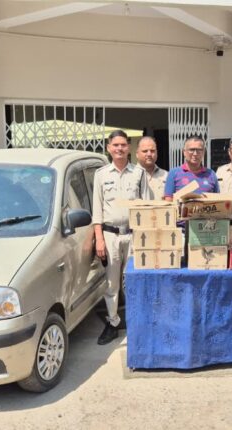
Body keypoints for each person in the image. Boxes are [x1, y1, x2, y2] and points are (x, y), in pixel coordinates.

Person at [92, 130, 147, 345]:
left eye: (123, 145)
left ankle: (135, 323)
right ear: (109, 148)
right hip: (110, 235)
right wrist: (99, 238)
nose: (120, 149)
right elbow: (97, 209)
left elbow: (145, 206)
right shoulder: (101, 174)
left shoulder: (139, 173)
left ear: (129, 148)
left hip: (133, 234)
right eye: (115, 145)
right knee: (111, 282)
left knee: (131, 280)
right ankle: (113, 322)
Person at [164, 135, 219, 199]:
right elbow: (168, 200)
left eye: (199, 150)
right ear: (184, 152)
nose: (195, 153)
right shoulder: (173, 173)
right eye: (191, 150)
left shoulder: (211, 174)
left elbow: (218, 200)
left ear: (203, 152)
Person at [136, 136, 168, 200]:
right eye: (145, 151)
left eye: (152, 151)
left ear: (157, 153)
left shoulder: (166, 175)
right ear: (137, 154)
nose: (149, 154)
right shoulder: (131, 175)